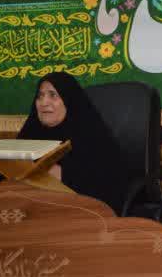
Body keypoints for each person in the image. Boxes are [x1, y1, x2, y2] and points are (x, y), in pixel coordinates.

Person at [18, 71, 130, 215]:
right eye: (40, 96)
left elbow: (110, 185)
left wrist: (64, 176)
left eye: (53, 95)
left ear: (69, 100)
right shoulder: (31, 133)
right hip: (30, 212)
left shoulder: (92, 135)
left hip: (80, 215)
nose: (44, 103)